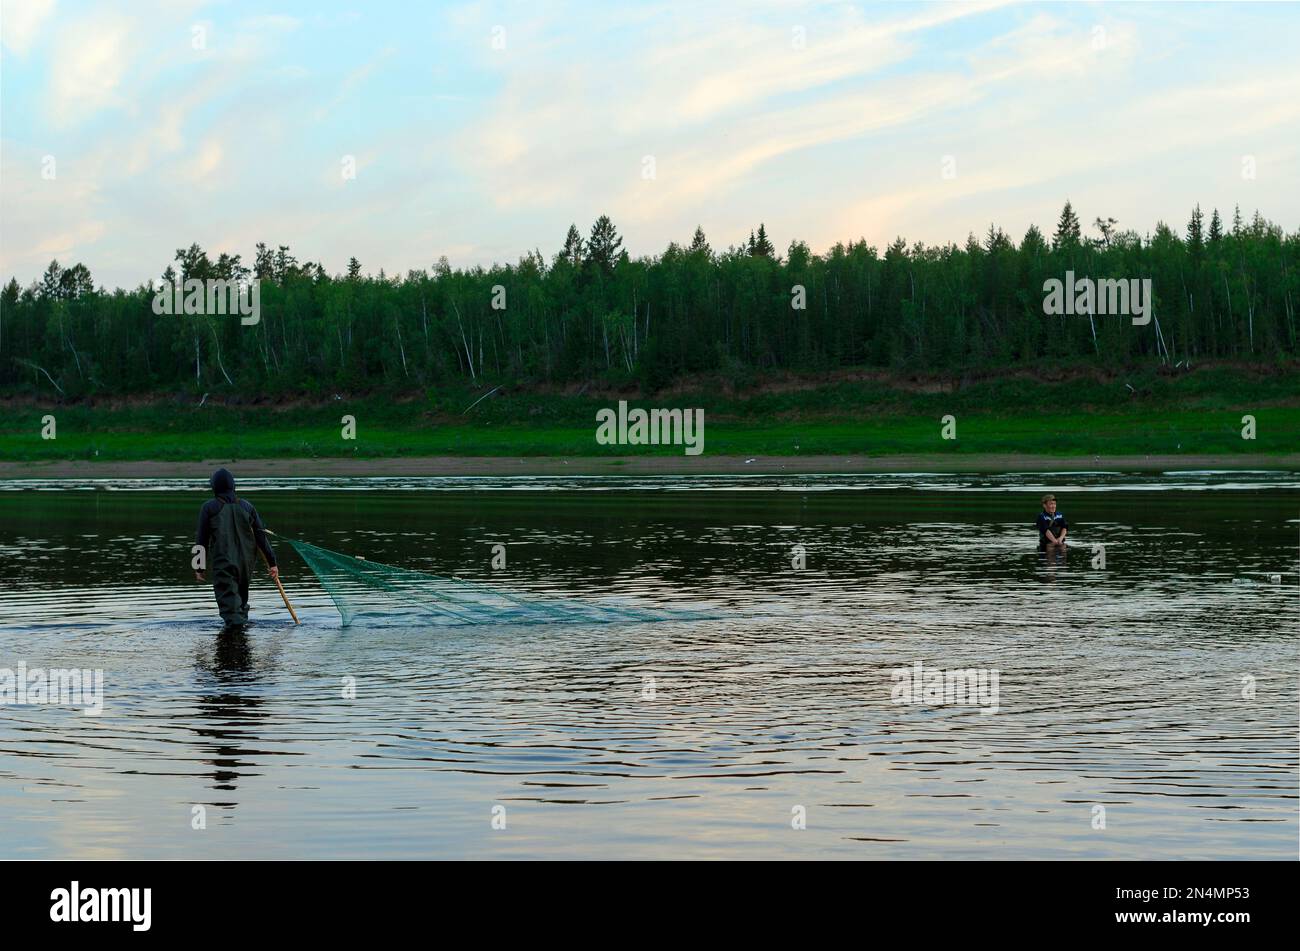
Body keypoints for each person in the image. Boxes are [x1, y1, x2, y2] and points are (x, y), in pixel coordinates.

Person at [195, 468, 278, 627]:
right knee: (240, 604)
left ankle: (236, 641)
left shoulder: (209, 507)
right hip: (246, 565)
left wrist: (199, 567)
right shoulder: (247, 506)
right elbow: (261, 537)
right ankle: (242, 643)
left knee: (231, 609)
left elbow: (201, 540)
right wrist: (272, 562)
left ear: (214, 488)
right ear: (233, 487)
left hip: (224, 564)